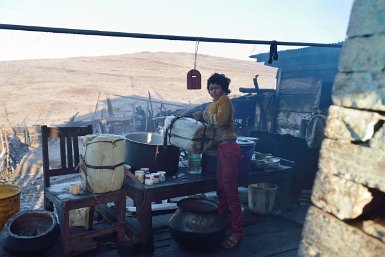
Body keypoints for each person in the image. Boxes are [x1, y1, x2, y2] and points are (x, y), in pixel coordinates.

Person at [193, 73, 243, 249]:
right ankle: (220, 222)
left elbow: (220, 120)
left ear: (223, 89)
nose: (214, 91)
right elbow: (208, 127)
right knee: (221, 190)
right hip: (220, 150)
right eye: (211, 88)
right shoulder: (211, 105)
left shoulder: (224, 101)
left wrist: (203, 116)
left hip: (229, 148)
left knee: (231, 192)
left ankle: (237, 231)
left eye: (217, 87)